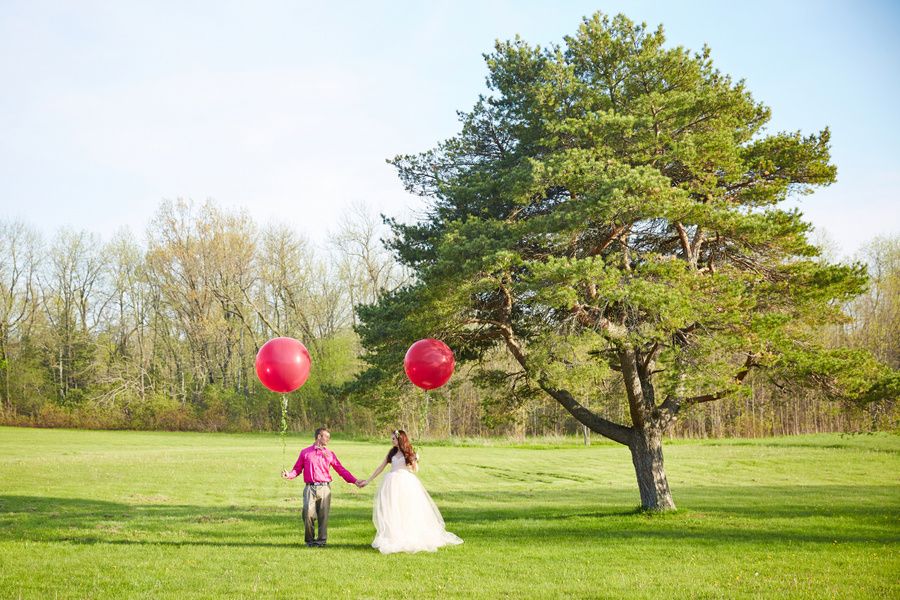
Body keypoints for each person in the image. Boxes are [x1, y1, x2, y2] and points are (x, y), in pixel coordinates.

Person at [357, 429, 463, 554]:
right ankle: (393, 536)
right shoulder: (391, 453)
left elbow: (415, 470)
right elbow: (381, 467)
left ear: (400, 439)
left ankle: (409, 535)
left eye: (393, 439)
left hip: (405, 482)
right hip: (391, 483)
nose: (391, 441)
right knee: (392, 509)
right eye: (391, 439)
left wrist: (415, 459)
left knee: (407, 509)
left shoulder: (409, 453)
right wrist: (368, 480)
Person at [282, 427, 362, 547]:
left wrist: (354, 481)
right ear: (319, 437)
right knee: (307, 514)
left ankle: (321, 542)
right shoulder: (305, 452)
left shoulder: (330, 454)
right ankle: (309, 541)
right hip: (310, 488)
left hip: (325, 488)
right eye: (326, 437)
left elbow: (341, 470)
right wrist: (289, 475)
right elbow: (297, 469)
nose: (328, 439)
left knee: (323, 516)